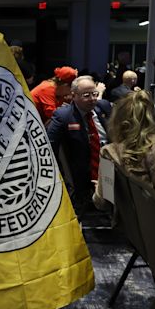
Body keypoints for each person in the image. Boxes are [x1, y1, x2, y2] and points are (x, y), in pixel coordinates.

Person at [93, 90, 155, 209]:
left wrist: (99, 188)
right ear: (153, 117)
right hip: (154, 222)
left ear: (117, 119)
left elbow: (102, 202)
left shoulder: (108, 152)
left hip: (124, 224)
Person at [47, 75, 112, 214]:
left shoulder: (104, 107)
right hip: (81, 177)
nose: (93, 99)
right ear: (74, 95)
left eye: (94, 94)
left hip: (108, 172)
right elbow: (50, 147)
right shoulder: (63, 116)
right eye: (86, 95)